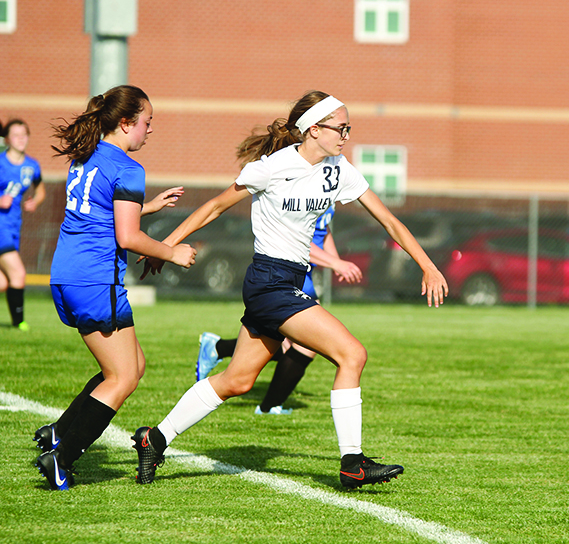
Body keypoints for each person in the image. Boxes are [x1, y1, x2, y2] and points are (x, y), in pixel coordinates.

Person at [134, 90, 447, 489]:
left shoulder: (339, 168)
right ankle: (353, 463)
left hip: (287, 280)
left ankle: (153, 439)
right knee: (352, 353)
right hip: (269, 281)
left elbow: (389, 221)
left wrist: (428, 265)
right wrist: (165, 247)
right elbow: (213, 207)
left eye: (349, 127)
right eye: (341, 127)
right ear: (313, 129)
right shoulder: (272, 168)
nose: (346, 135)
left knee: (237, 381)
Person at [33, 85, 196, 491]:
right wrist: (171, 252)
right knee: (122, 378)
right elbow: (128, 237)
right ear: (126, 123)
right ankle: (61, 457)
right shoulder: (127, 167)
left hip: (68, 273)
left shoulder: (85, 156)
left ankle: (57, 433)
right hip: (94, 278)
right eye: (147, 122)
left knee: (131, 366)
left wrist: (149, 206)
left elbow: (97, 212)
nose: (150, 130)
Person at [196, 205, 364, 416]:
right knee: (305, 346)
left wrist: (336, 260)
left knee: (287, 345)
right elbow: (298, 239)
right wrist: (336, 263)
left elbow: (324, 227)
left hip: (305, 274)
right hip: (287, 273)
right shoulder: (303, 187)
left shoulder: (328, 184)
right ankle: (267, 404)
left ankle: (220, 349)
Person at [0, 119, 47, 331]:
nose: (20, 139)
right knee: (18, 273)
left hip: (13, 226)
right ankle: (19, 324)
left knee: (3, 282)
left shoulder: (32, 165)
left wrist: (34, 202)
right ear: (7, 139)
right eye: (15, 135)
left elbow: (40, 190)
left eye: (24, 134)